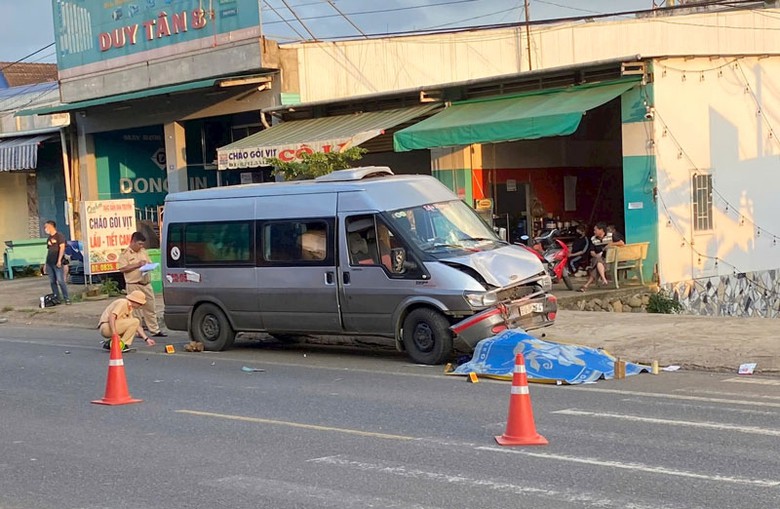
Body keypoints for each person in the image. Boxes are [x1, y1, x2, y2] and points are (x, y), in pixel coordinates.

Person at [117, 232, 167, 337]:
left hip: (145, 283)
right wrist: (137, 265)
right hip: (133, 284)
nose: (141, 246)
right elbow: (122, 268)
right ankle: (138, 331)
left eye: (142, 244)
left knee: (150, 307)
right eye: (139, 244)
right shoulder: (125, 254)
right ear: (133, 242)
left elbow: (149, 262)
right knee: (135, 310)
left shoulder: (143, 252)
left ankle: (155, 330)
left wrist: (148, 265)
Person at [578, 222, 625, 292]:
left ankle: (587, 285)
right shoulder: (593, 239)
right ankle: (603, 279)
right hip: (599, 259)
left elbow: (621, 243)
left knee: (597, 265)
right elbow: (592, 252)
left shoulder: (611, 236)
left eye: (595, 230)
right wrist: (595, 255)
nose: (594, 232)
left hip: (610, 260)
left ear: (601, 230)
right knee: (598, 259)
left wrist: (611, 244)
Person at [43, 220, 70, 305]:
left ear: (51, 226)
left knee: (61, 281)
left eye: (46, 227)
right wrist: (45, 264)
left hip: (57, 263)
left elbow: (62, 248)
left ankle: (67, 299)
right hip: (49, 263)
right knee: (52, 281)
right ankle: (56, 298)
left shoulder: (59, 236)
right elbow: (49, 251)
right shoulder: (49, 238)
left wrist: (59, 260)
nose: (45, 229)